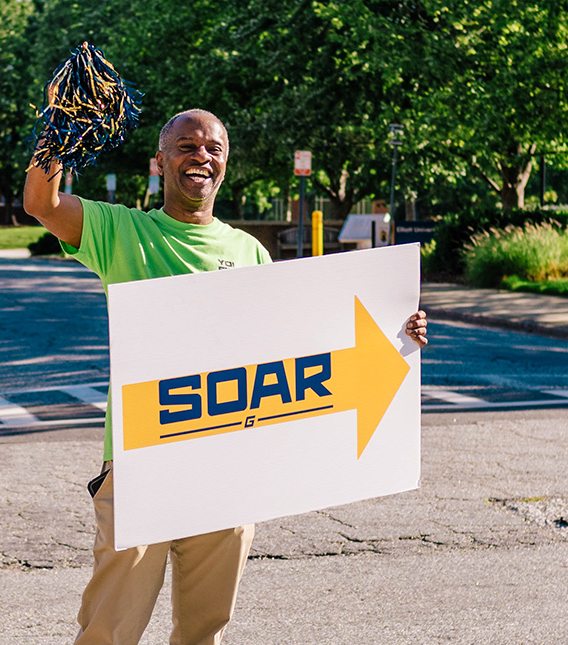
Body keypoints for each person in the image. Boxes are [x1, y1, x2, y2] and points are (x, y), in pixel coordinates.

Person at [23, 108, 428, 645]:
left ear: (225, 162)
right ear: (161, 160)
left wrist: (395, 329)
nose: (201, 157)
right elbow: (40, 204)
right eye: (187, 146)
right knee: (110, 629)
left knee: (205, 630)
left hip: (228, 466)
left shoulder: (249, 252)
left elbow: (298, 349)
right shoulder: (122, 230)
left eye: (213, 148)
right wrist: (59, 127)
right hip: (143, 462)